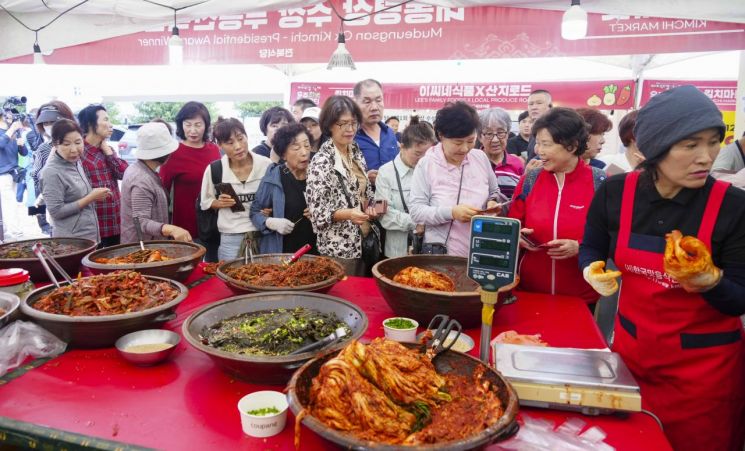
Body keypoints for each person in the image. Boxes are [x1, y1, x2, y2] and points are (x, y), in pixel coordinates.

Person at [579, 85, 745, 451]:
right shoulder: (615, 192)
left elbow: (739, 299)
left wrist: (710, 281)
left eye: (714, 141)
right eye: (690, 145)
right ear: (655, 147)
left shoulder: (733, 207)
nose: (706, 157)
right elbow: (592, 245)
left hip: (704, 377)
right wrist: (591, 269)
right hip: (631, 359)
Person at [508, 107, 606, 305]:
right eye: (538, 143)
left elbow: (613, 238)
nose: (538, 151)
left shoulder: (600, 183)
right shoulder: (529, 180)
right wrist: (517, 235)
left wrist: (580, 247)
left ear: (572, 145)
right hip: (530, 292)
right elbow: (512, 224)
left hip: (581, 298)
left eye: (546, 144)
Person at [409, 102, 502, 258]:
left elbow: (494, 191)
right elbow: (417, 211)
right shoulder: (427, 164)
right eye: (458, 142)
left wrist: (492, 202)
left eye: (471, 141)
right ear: (441, 136)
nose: (465, 148)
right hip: (442, 255)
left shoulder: (480, 158)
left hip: (479, 251)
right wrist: (451, 212)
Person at [305, 95, 377, 275]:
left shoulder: (355, 150)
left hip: (364, 240)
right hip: (338, 248)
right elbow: (318, 214)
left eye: (353, 123)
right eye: (342, 123)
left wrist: (374, 208)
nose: (350, 129)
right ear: (329, 125)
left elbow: (364, 193)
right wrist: (348, 214)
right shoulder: (321, 162)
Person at [200, 117, 272, 261]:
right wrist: (218, 203)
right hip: (230, 238)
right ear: (220, 145)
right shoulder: (215, 169)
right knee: (229, 279)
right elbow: (205, 202)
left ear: (246, 136)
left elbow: (276, 198)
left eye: (241, 138)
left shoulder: (266, 165)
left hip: (263, 234)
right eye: (230, 143)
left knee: (266, 279)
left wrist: (271, 209)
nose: (238, 146)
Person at [159, 101, 221, 260]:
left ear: (206, 126)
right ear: (181, 125)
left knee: (213, 268)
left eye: (198, 125)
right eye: (188, 124)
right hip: (185, 226)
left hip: (212, 222)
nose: (193, 130)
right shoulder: (173, 152)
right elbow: (161, 190)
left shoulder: (213, 150)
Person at [250, 123, 317, 255]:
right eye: (296, 147)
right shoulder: (274, 176)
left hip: (316, 251)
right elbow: (254, 213)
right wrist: (270, 222)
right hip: (283, 252)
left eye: (307, 145)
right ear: (283, 154)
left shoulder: (319, 174)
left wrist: (320, 213)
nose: (304, 153)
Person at [120, 122, 191, 244]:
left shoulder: (142, 169)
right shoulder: (141, 179)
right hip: (141, 251)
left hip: (147, 246)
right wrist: (172, 229)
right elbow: (141, 221)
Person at [374, 116, 435, 257]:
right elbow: (382, 214)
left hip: (428, 250)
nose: (423, 159)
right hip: (396, 252)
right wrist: (417, 223)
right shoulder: (385, 172)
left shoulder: (432, 171)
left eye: (427, 154)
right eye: (418, 154)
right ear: (401, 147)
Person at [41, 119, 109, 242]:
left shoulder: (76, 162)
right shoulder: (51, 172)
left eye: (78, 142)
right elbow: (56, 212)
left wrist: (94, 194)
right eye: (66, 144)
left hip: (89, 236)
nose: (74, 149)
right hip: (71, 242)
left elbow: (75, 195)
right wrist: (91, 197)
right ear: (55, 145)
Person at [78, 104, 128, 248]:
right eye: (105, 119)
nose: (110, 124)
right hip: (94, 224)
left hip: (115, 221)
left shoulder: (107, 149)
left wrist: (108, 153)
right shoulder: (78, 151)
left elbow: (124, 173)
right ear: (90, 124)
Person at [30, 101, 75, 236]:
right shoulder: (43, 148)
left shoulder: (79, 143)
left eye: (52, 122)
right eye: (45, 123)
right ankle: (43, 225)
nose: (49, 126)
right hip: (57, 207)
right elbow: (36, 177)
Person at [353, 79, 400, 184]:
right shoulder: (349, 136)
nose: (374, 107)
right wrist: (363, 179)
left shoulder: (389, 133)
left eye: (378, 100)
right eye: (367, 102)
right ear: (355, 103)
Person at [478, 108, 525, 199]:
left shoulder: (518, 163)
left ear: (507, 134)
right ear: (480, 137)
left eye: (500, 132)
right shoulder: (473, 161)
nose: (495, 140)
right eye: (489, 133)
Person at [0, 109, 29, 241]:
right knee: (8, 205)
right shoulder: (6, 133)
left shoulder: (13, 132)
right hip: (3, 175)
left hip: (14, 173)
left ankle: (14, 233)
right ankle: (11, 235)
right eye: (9, 116)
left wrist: (21, 144)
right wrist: (12, 129)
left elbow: (24, 153)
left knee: (13, 204)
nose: (12, 118)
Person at [525, 89, 552, 162]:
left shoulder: (555, 129)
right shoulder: (535, 130)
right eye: (531, 104)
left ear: (549, 106)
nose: (534, 107)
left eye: (539, 103)